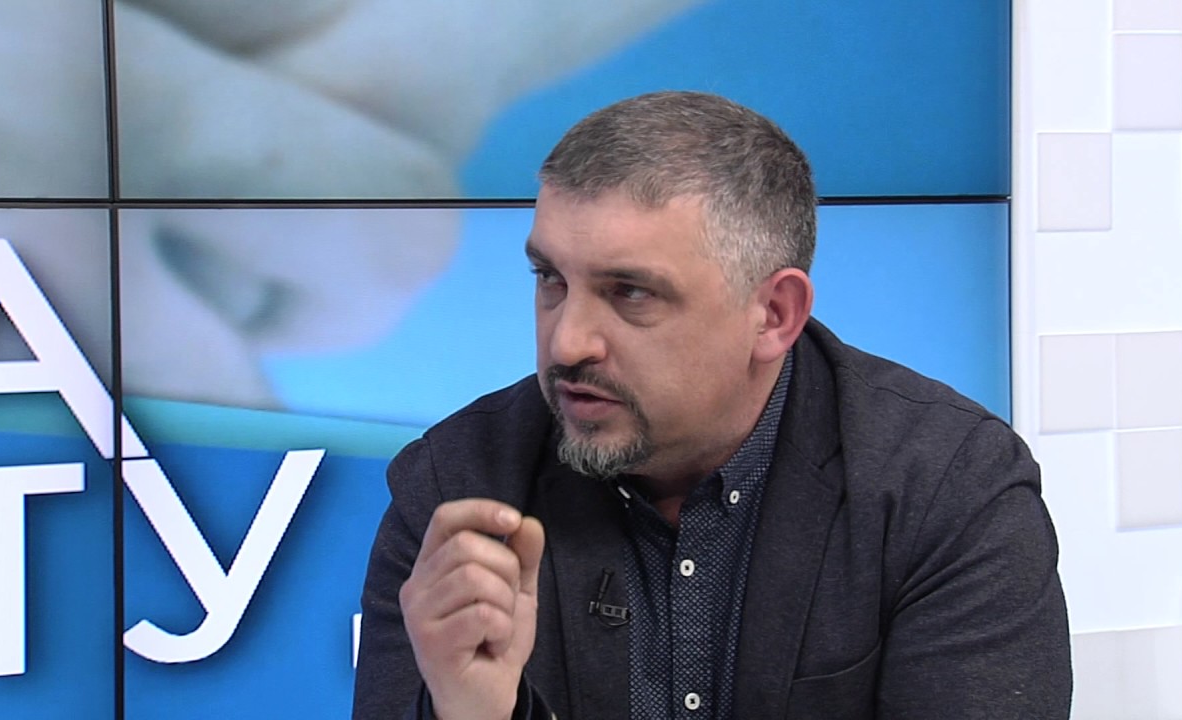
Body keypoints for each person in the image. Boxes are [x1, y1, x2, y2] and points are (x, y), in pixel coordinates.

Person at [352, 91, 1072, 719]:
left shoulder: (945, 489)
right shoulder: (457, 488)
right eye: (550, 279)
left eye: (630, 293)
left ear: (774, 315)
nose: (567, 341)